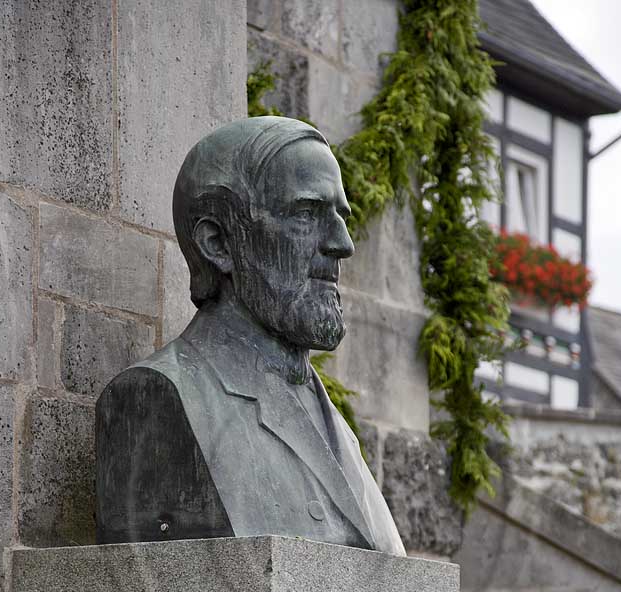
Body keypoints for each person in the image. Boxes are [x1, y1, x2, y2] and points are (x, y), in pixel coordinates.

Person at [96, 116, 405, 556]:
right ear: (218, 243)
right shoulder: (156, 397)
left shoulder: (331, 422)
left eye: (340, 216)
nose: (342, 243)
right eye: (305, 214)